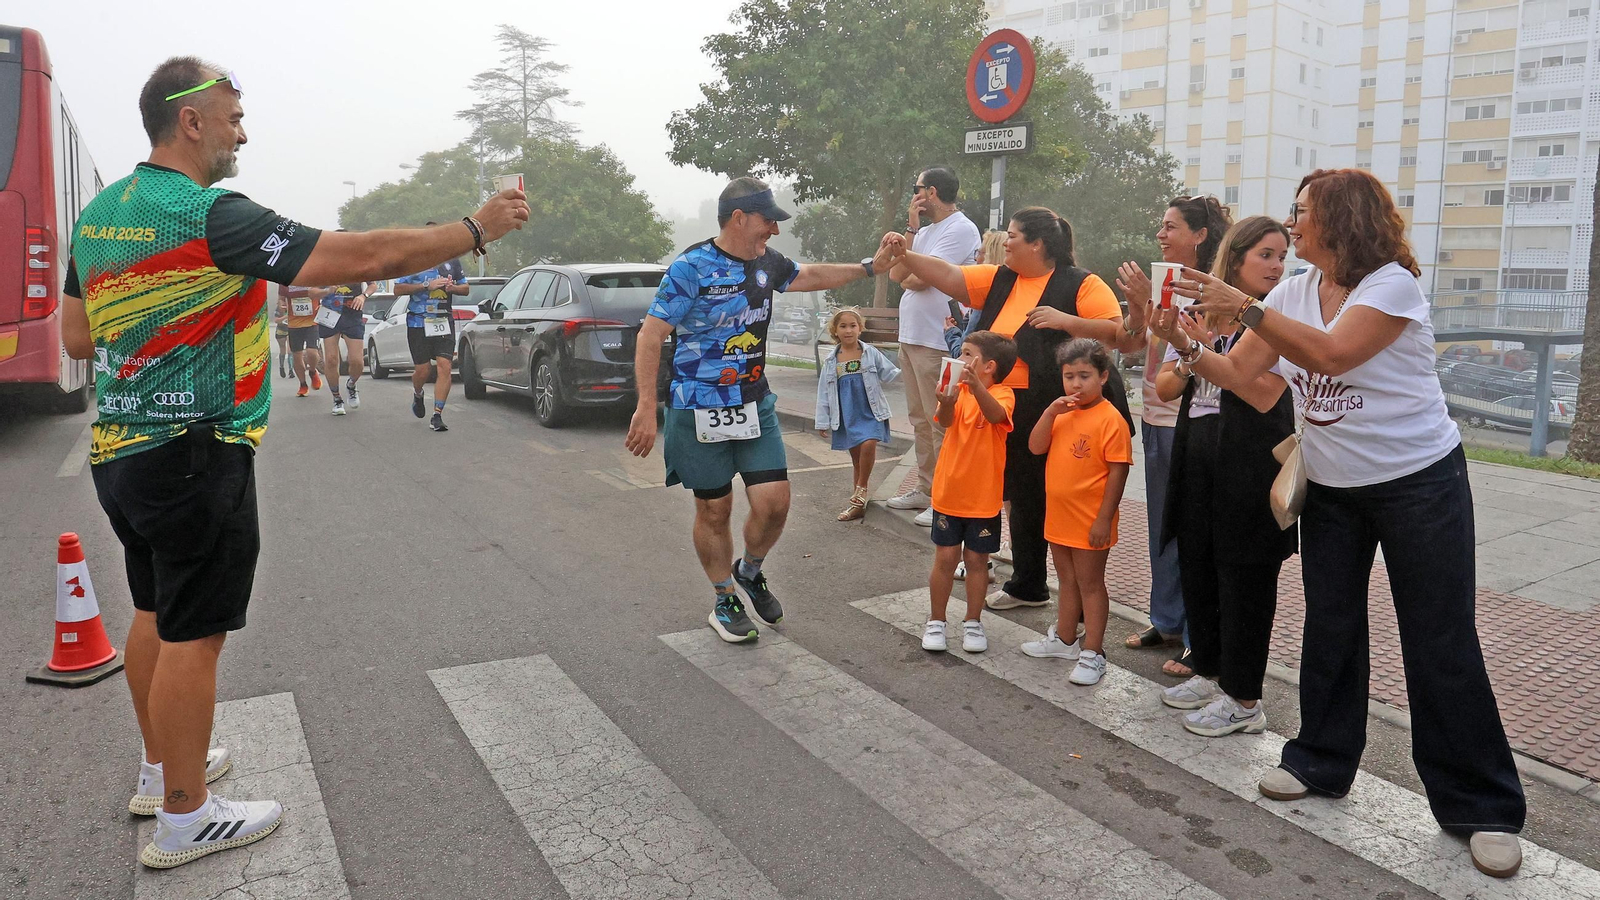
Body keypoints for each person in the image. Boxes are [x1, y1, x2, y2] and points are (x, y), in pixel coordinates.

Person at [59, 56, 528, 869]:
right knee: (194, 633)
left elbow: (75, 337)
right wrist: (475, 229)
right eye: (234, 117)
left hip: (121, 450)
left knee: (151, 612)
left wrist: (156, 322)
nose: (244, 130)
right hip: (197, 450)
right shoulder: (213, 215)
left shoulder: (100, 216)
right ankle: (185, 816)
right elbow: (365, 258)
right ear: (192, 121)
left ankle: (158, 769)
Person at [1163, 169, 1525, 878]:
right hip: (1330, 489)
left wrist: (1245, 306)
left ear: (1342, 219)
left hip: (1418, 484)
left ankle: (1480, 805)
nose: (1293, 226)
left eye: (1302, 214)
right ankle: (1322, 761)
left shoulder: (1390, 286)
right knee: (1330, 624)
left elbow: (1331, 355)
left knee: (1439, 636)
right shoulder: (1297, 291)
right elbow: (1248, 378)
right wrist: (1181, 343)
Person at [625, 176, 895, 643]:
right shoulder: (690, 268)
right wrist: (647, 407)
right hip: (697, 406)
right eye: (767, 220)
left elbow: (808, 275)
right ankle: (723, 596)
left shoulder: (767, 263)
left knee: (774, 504)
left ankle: (750, 570)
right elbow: (651, 336)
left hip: (753, 402)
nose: (773, 229)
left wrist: (871, 267)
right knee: (714, 508)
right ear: (739, 218)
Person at [885, 207, 1144, 615]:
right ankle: (1023, 580)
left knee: (1045, 496)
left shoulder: (1082, 284)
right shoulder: (999, 278)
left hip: (1060, 408)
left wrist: (1066, 320)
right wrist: (906, 252)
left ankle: (1057, 595)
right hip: (1006, 406)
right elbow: (947, 275)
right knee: (1017, 495)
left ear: (1037, 244)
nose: (1005, 242)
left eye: (1013, 235)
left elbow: (1122, 338)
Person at [1147, 216, 1296, 737]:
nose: (1278, 266)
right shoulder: (1207, 314)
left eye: (1282, 256)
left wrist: (1196, 351)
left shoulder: (1277, 319)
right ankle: (1210, 671)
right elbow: (1167, 384)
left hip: (1250, 469)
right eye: (1266, 255)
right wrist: (1186, 347)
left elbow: (1264, 394)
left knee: (1245, 582)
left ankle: (1245, 699)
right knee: (1200, 568)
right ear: (1234, 260)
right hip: (1200, 462)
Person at [1115, 195, 1231, 678]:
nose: (1161, 234)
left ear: (1200, 236)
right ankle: (1165, 620)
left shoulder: (1212, 289)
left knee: (1193, 531)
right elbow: (1133, 341)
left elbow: (1204, 349)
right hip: (1155, 415)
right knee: (1162, 527)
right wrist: (1140, 305)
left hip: (1195, 420)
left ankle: (1195, 634)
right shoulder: (1163, 282)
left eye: (1171, 227)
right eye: (1160, 226)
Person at [1018, 339, 1132, 686]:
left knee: (1091, 584)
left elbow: (1118, 471)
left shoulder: (1111, 419)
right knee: (1066, 580)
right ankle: (1066, 639)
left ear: (1103, 376)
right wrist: (1050, 412)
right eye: (1069, 376)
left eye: (1084, 375)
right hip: (1060, 515)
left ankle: (1093, 652)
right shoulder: (1062, 412)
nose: (1076, 384)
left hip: (1090, 518)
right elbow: (1036, 446)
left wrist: (1103, 518)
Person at [884, 166, 981, 525]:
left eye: (918, 189)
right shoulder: (923, 232)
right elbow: (897, 274)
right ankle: (926, 489)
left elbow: (924, 278)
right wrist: (910, 227)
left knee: (940, 421)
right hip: (911, 336)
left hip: (936, 338)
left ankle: (945, 499)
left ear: (933, 192)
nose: (915, 194)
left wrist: (913, 272)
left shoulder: (960, 228)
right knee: (919, 420)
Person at [921, 331, 1016, 654]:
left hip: (983, 498)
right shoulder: (956, 390)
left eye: (965, 353)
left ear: (987, 366)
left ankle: (973, 621)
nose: (959, 359)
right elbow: (945, 421)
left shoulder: (1003, 394)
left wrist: (975, 387)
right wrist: (946, 402)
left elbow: (995, 416)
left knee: (977, 560)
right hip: (949, 491)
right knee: (946, 557)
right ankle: (936, 621)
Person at [815, 308, 900, 521]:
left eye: (853, 325)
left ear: (860, 329)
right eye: (843, 326)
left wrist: (909, 361)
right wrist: (822, 421)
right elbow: (824, 392)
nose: (848, 330)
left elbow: (890, 373)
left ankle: (860, 491)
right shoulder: (831, 361)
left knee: (869, 443)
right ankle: (857, 506)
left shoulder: (869, 352)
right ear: (835, 330)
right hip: (847, 414)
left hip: (870, 410)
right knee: (856, 461)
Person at [395, 254, 468, 432]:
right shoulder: (413, 261)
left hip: (443, 321)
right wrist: (426, 285)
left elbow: (465, 288)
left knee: (445, 366)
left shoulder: (452, 261)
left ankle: (437, 415)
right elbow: (398, 289)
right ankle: (418, 393)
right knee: (423, 370)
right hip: (418, 322)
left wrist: (453, 288)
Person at [310, 276, 368, 415]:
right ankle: (337, 399)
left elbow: (373, 285)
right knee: (331, 359)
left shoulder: (358, 264)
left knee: (357, 361)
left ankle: (351, 385)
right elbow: (312, 293)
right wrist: (327, 291)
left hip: (352, 314)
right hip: (329, 313)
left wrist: (363, 296)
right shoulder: (326, 268)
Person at [282, 284, 322, 397]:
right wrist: (281, 304)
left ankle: (313, 371)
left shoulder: (312, 275)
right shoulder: (286, 279)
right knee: (297, 355)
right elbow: (280, 298)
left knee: (312, 352)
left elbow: (323, 291)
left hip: (312, 322)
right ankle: (303, 384)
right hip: (294, 324)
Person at [271, 292, 290, 378]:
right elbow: (276, 320)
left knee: (291, 350)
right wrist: (285, 317)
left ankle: (291, 370)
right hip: (281, 329)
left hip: (291, 329)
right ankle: (281, 367)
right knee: (283, 349)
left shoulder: (292, 306)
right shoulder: (278, 308)